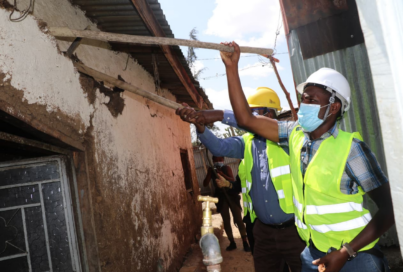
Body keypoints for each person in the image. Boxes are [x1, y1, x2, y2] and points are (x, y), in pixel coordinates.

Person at [218, 41, 395, 272]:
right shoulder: (295, 135)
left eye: (312, 100)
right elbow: (246, 119)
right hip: (312, 253)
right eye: (304, 98)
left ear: (333, 108)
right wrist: (231, 68)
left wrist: (346, 252)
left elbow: (391, 208)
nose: (304, 104)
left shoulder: (352, 149)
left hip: (356, 257)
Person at [176, 87, 305, 272]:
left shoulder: (290, 139)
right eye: (248, 113)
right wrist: (199, 125)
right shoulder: (247, 142)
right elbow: (219, 147)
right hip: (263, 232)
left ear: (269, 114)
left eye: (253, 113)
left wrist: (220, 114)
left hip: (294, 231)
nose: (248, 118)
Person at [203, 155, 251, 252]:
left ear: (223, 160)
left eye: (220, 159)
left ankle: (245, 241)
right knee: (226, 220)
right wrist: (209, 173)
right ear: (213, 161)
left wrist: (222, 174)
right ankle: (232, 242)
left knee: (238, 219)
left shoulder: (226, 168)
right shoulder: (212, 170)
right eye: (216, 160)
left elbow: (232, 180)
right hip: (221, 198)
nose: (218, 161)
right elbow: (205, 184)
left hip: (232, 196)